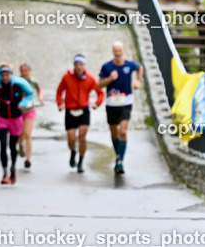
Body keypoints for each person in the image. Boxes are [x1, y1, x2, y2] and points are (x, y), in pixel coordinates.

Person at [97, 42, 142, 175]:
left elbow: (140, 67)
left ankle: (120, 161)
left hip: (126, 103)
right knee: (114, 132)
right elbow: (99, 85)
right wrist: (110, 79)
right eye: (116, 51)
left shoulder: (129, 65)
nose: (118, 53)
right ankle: (118, 155)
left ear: (124, 51)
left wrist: (138, 80)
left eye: (120, 51)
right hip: (111, 103)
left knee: (122, 132)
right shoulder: (107, 66)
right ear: (113, 51)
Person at [0, 63, 34, 185]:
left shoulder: (19, 83)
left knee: (13, 146)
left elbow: (30, 93)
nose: (5, 77)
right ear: (0, 76)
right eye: (3, 75)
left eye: (7, 75)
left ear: (10, 75)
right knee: (3, 144)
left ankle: (13, 168)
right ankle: (5, 172)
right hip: (2, 117)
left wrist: (23, 102)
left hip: (16, 118)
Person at [56, 55, 104, 174]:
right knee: (71, 138)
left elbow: (100, 92)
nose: (78, 67)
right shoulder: (67, 77)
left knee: (82, 136)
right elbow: (59, 91)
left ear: (84, 66)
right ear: (74, 65)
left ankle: (80, 162)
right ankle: (73, 152)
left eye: (81, 64)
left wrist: (96, 104)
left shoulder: (90, 78)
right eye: (76, 64)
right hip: (70, 111)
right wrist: (60, 104)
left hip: (83, 110)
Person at [17, 62, 44, 169]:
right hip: (18, 111)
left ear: (30, 71)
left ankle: (28, 159)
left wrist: (40, 98)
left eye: (26, 71)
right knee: (20, 134)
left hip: (30, 110)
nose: (24, 73)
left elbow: (39, 89)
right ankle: (20, 145)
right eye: (22, 71)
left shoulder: (33, 81)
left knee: (28, 134)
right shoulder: (16, 81)